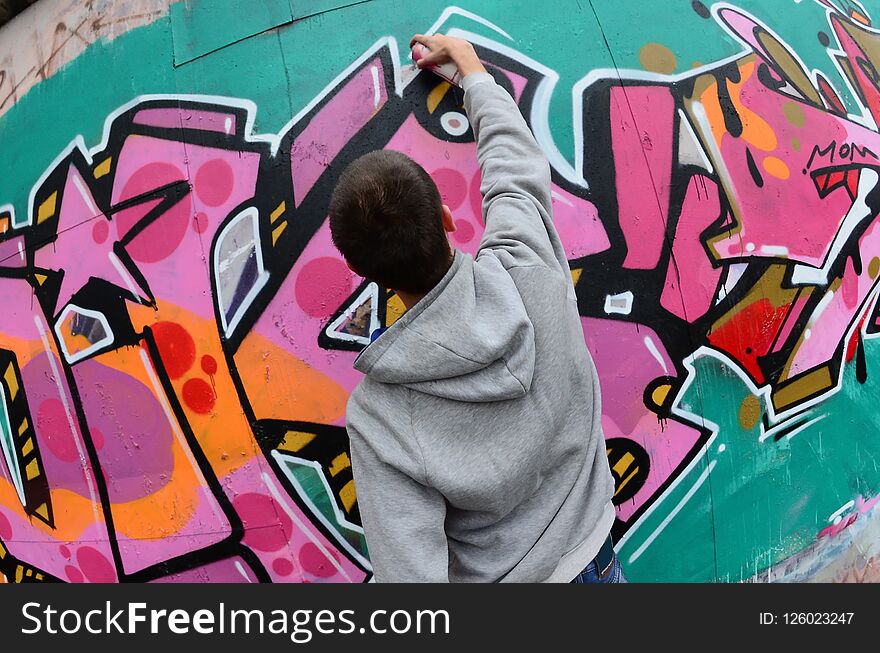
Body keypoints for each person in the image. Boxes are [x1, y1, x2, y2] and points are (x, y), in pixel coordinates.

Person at [328, 33, 624, 583]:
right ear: (445, 216)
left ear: (365, 276)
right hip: (599, 564)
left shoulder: (380, 417)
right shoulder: (526, 265)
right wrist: (470, 68)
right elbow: (515, 165)